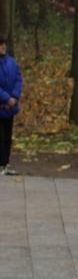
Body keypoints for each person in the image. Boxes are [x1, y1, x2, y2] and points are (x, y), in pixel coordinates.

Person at [0, 31, 19, 175]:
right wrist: (6, 98)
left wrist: (14, 96)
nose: (3, 47)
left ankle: (5, 163)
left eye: (3, 44)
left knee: (7, 136)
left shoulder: (12, 62)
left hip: (10, 107)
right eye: (0, 44)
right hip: (2, 104)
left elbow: (18, 79)